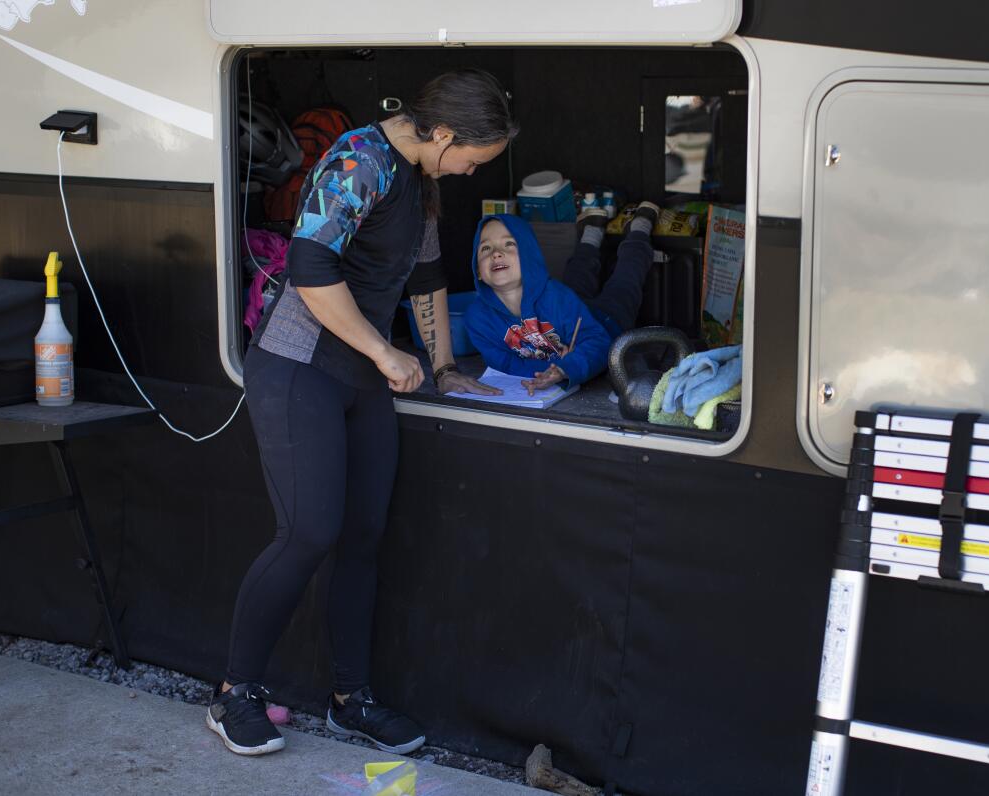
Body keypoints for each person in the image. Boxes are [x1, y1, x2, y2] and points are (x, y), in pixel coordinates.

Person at [206, 69, 517, 757]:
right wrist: (385, 352)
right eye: (472, 156)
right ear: (442, 134)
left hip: (361, 375)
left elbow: (428, 276)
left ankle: (351, 699)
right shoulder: (359, 158)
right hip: (297, 368)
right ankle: (234, 694)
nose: (470, 170)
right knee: (307, 532)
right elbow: (312, 271)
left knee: (363, 536)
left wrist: (440, 366)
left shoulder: (421, 179)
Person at [463, 202, 661, 394]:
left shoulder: (556, 296)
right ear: (477, 269)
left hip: (607, 320)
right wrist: (555, 367)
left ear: (530, 258)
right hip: (570, 310)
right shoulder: (477, 318)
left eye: (509, 244)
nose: (497, 253)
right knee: (577, 278)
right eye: (486, 248)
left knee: (624, 281)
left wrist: (567, 368)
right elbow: (504, 364)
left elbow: (598, 343)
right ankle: (592, 233)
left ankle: (638, 229)